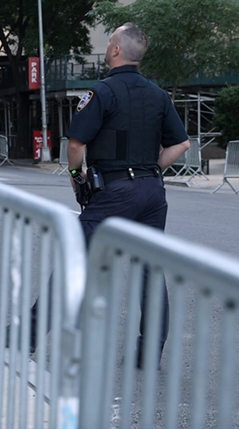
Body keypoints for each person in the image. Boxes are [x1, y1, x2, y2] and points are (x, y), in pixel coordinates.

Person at [65, 23, 189, 367]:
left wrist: (77, 177)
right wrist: (152, 170)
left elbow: (76, 144)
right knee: (150, 269)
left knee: (75, 255)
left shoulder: (102, 92)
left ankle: (28, 336)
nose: (107, 48)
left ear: (116, 50)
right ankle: (149, 354)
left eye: (109, 43)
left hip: (115, 190)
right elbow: (181, 143)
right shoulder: (159, 95)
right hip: (152, 191)